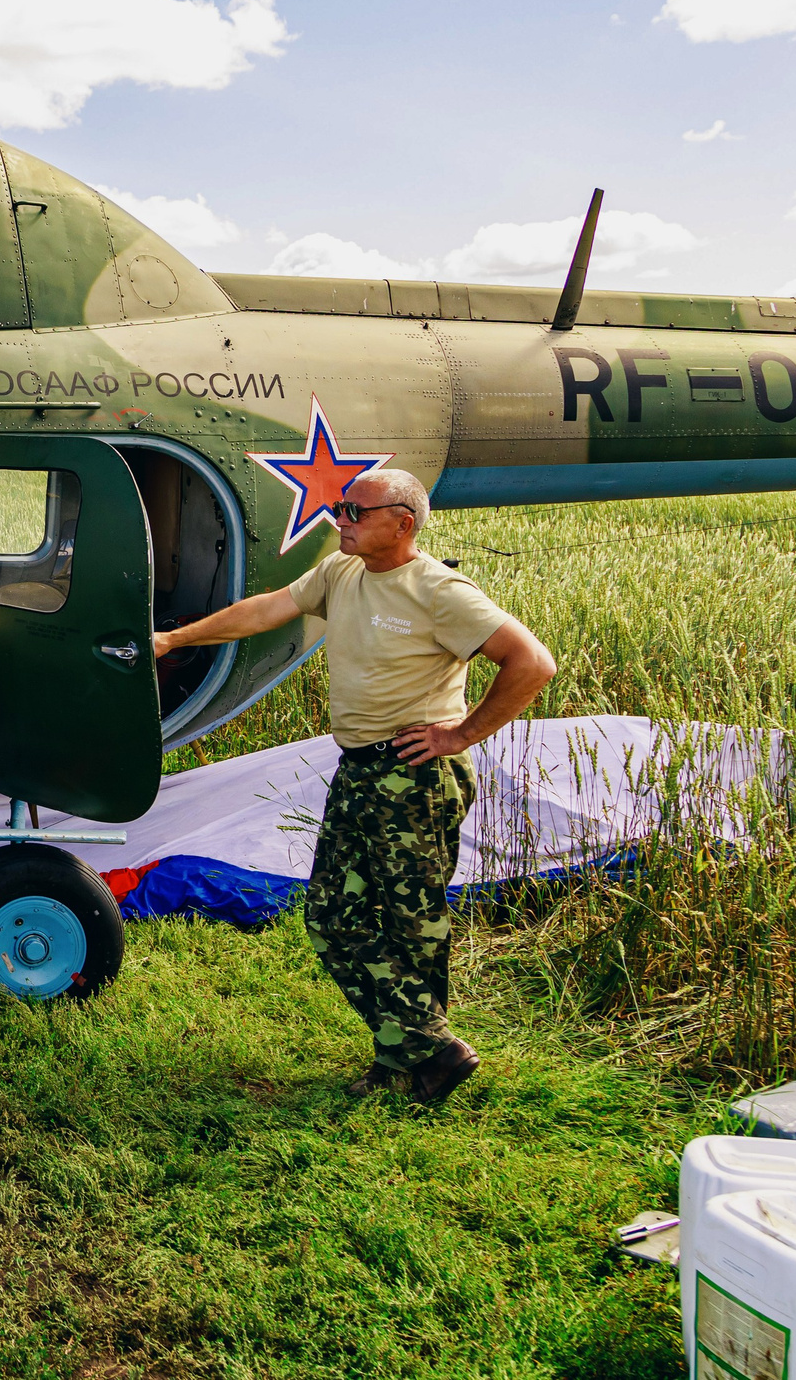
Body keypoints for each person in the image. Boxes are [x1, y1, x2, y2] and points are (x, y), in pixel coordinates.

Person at [152, 467, 554, 1102]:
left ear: (403, 524)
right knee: (331, 916)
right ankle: (428, 1049)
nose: (340, 519)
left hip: (416, 778)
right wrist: (174, 638)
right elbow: (267, 609)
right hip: (361, 769)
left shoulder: (440, 591)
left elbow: (532, 662)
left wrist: (461, 734)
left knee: (411, 925)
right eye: (341, 508)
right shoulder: (342, 572)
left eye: (355, 512)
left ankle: (410, 1063)